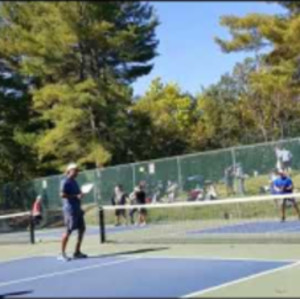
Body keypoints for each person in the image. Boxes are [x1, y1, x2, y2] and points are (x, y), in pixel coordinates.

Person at [59, 163, 87, 261]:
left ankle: (77, 252)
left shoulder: (75, 182)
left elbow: (78, 195)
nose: (77, 172)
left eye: (77, 171)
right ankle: (62, 253)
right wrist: (76, 196)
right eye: (75, 170)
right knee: (68, 231)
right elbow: (62, 195)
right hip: (69, 210)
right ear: (69, 171)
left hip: (77, 209)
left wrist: (80, 196)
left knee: (82, 229)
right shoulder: (65, 181)